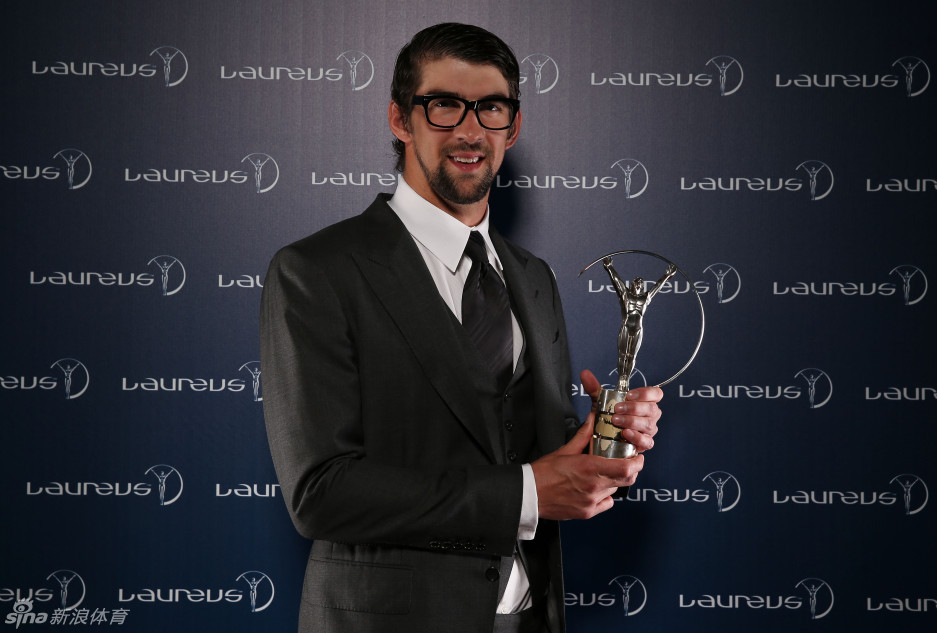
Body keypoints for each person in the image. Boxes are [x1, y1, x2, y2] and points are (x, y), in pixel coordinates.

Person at [260, 23, 663, 633]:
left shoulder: (533, 276)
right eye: (444, 105)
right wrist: (527, 495)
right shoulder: (317, 271)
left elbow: (534, 457)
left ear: (513, 127)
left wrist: (606, 440)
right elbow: (321, 492)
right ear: (400, 119)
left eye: (491, 108)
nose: (470, 130)